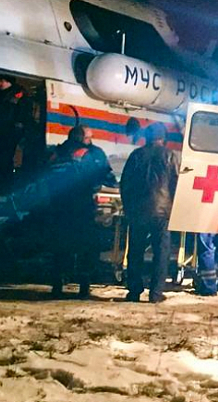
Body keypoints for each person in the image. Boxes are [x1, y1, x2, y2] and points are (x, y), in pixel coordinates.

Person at [49, 126, 115, 298]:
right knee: (86, 246)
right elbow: (106, 176)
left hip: (59, 207)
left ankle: (57, 284)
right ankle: (84, 286)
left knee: (60, 246)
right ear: (81, 138)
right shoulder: (92, 154)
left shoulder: (56, 153)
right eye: (88, 138)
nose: (90, 141)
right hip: (82, 207)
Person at [120, 122, 179, 303]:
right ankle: (156, 293)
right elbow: (176, 183)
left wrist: (128, 207)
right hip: (162, 211)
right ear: (163, 138)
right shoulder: (170, 155)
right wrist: (173, 207)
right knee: (161, 252)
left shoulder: (136, 155)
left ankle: (134, 291)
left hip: (138, 211)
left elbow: (125, 183)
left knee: (135, 251)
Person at [0, 74, 30, 193]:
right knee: (0, 159)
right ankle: (2, 186)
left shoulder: (18, 94)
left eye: (1, 81)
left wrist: (17, 131)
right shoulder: (1, 95)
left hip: (10, 133)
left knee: (5, 160)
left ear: (8, 82)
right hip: (1, 133)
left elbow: (22, 115)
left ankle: (6, 187)